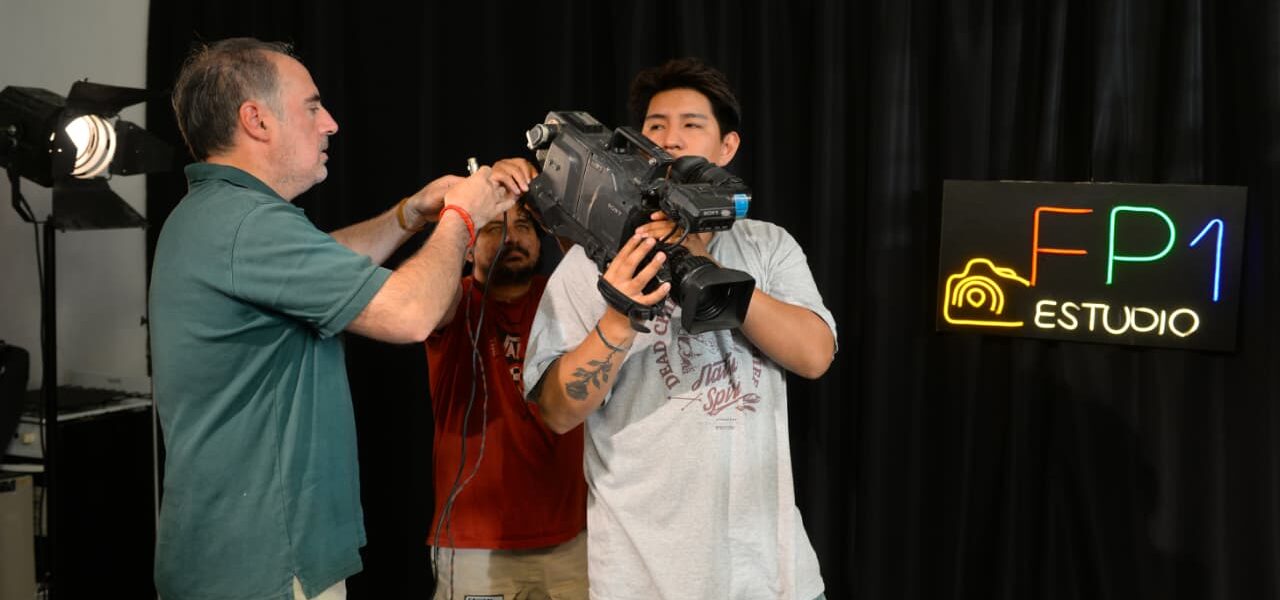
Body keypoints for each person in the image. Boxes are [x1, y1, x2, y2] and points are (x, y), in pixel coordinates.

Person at [149, 37, 515, 600]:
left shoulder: (217, 215)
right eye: (312, 107)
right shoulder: (249, 224)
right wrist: (464, 217)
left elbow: (325, 265)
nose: (331, 124)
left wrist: (411, 215)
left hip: (240, 559)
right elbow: (412, 314)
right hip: (265, 568)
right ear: (256, 120)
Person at [523, 57, 837, 600]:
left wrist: (704, 265)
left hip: (773, 578)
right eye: (655, 126)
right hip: (642, 579)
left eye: (691, 125)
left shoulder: (767, 244)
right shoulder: (591, 260)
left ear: (727, 147)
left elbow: (814, 355)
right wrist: (618, 317)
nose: (670, 139)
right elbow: (555, 411)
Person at [424, 165, 587, 598]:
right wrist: (464, 214)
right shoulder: (451, 301)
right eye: (495, 228)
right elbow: (421, 298)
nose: (512, 237)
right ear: (467, 247)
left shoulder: (564, 298)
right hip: (474, 544)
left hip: (570, 540)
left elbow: (595, 270)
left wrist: (548, 207)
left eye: (524, 226)